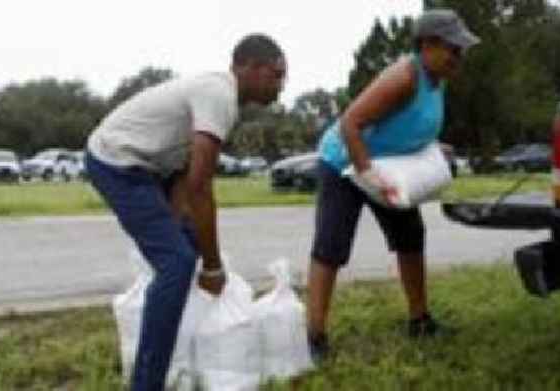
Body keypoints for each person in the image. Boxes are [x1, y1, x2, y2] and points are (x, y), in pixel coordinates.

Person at [85, 34, 286, 390]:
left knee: (187, 242)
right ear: (251, 67)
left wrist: (183, 224)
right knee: (177, 263)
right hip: (117, 161)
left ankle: (185, 355)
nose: (281, 85)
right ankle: (146, 383)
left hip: (149, 167)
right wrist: (212, 266)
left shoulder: (224, 99)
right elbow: (200, 187)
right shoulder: (219, 94)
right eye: (276, 74)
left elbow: (183, 170)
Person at [306, 9, 480, 362]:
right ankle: (314, 336)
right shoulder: (404, 76)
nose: (458, 57)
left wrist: (433, 147)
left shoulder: (437, 78)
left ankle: (419, 320)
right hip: (344, 164)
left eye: (461, 50)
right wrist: (367, 174)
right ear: (427, 45)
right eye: (453, 48)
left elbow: (410, 124)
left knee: (410, 238)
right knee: (331, 247)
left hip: (389, 167)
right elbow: (350, 122)